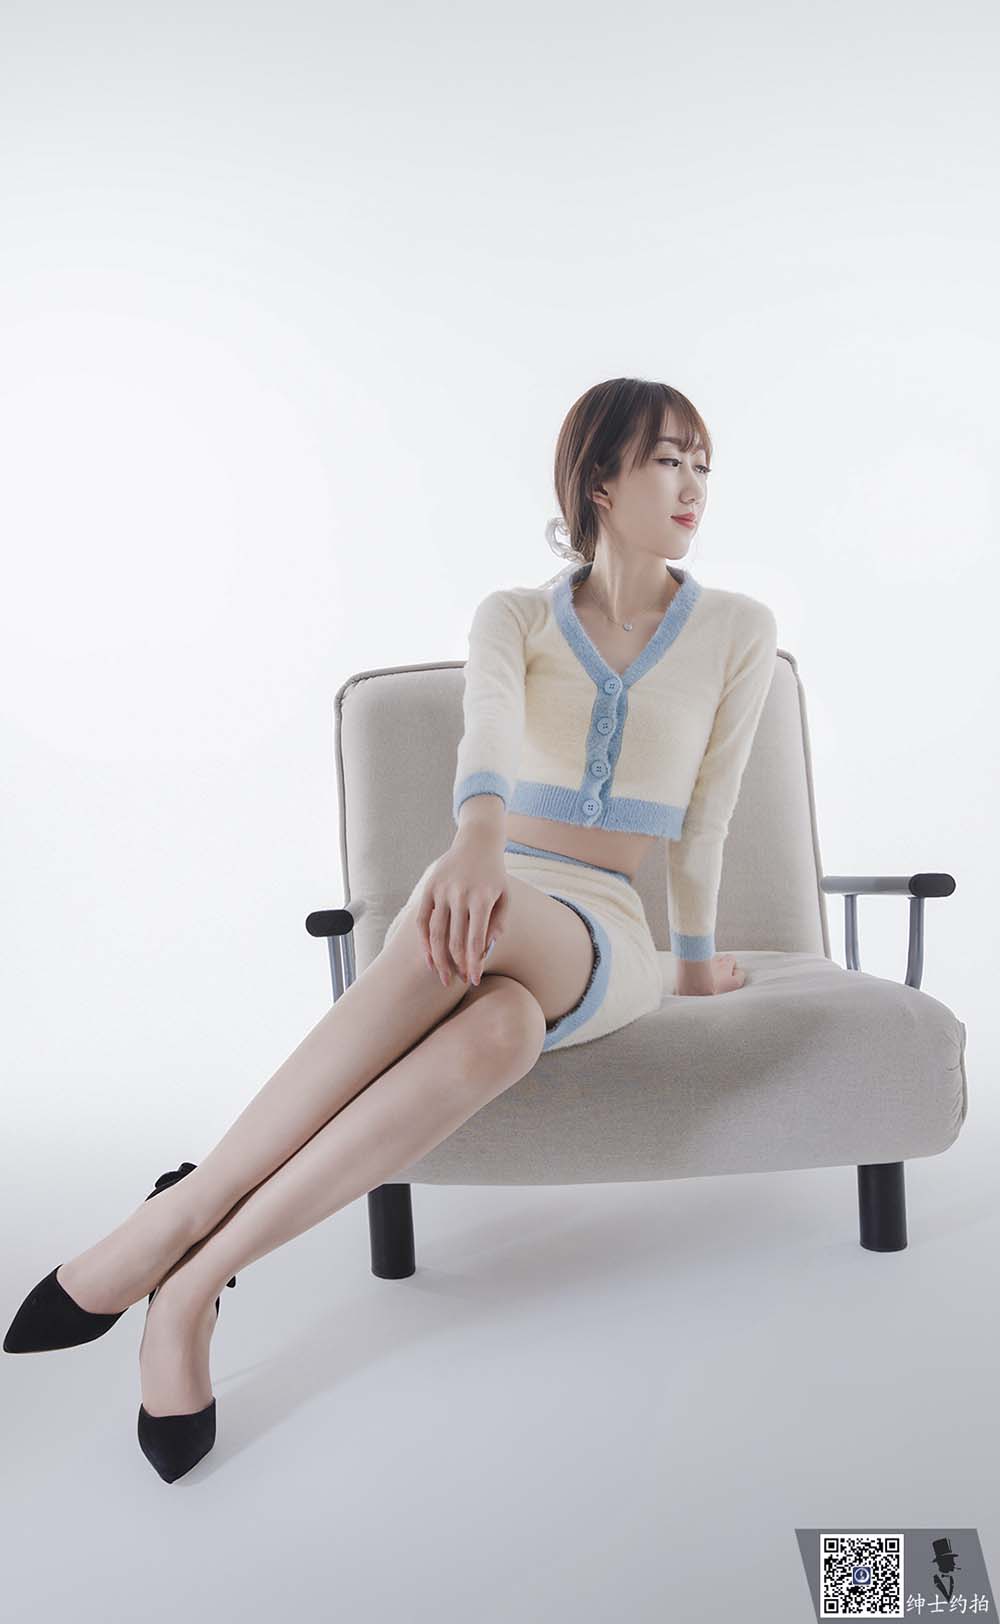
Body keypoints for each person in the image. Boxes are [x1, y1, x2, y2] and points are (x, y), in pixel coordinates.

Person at [4, 375, 777, 1481]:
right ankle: (188, 1290)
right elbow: (489, 733)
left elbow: (709, 818)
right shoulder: (514, 616)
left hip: (604, 931)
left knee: (477, 918)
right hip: (492, 881)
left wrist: (693, 968)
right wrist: (475, 840)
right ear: (601, 479)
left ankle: (176, 1223)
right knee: (498, 1030)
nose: (694, 483)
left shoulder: (739, 629)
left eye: (703, 463)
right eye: (667, 458)